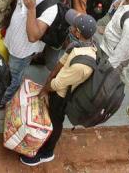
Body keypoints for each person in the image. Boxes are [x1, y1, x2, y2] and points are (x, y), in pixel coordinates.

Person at [24, 10, 99, 166]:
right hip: (58, 86)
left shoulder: (82, 64)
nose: (70, 28)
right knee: (50, 117)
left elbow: (58, 85)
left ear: (78, 32)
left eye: (73, 27)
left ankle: (47, 152)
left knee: (55, 121)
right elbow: (61, 64)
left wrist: (45, 90)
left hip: (62, 96)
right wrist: (48, 81)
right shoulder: (77, 44)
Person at [2, 0, 58, 105]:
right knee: (6, 69)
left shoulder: (51, 7)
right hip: (11, 38)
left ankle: (4, 100)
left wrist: (32, 9)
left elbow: (33, 37)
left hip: (23, 50)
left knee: (13, 76)